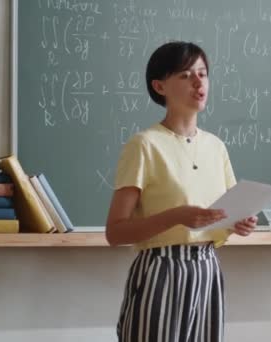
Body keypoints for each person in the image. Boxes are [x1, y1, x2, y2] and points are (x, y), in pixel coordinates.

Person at [105, 41, 257, 342]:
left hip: (207, 269)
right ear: (160, 86)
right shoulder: (144, 145)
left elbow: (224, 213)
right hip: (161, 270)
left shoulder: (216, 147)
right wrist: (176, 216)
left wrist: (238, 223)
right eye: (186, 76)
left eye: (203, 73)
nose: (199, 82)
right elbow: (116, 232)